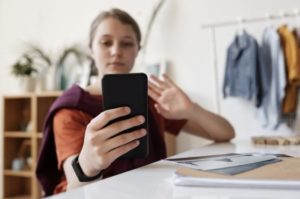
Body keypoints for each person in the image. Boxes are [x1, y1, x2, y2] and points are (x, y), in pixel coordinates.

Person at [36, 8, 235, 196]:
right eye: (106, 42)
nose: (116, 51)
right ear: (91, 49)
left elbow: (226, 133)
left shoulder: (153, 99)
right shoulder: (71, 108)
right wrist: (87, 165)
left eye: (127, 43)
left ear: (138, 49)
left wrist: (192, 110)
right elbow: (74, 184)